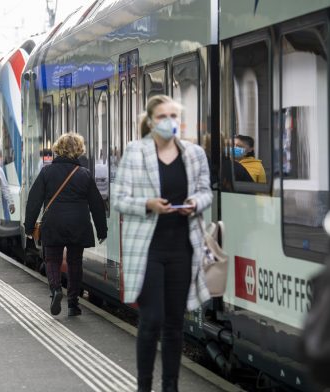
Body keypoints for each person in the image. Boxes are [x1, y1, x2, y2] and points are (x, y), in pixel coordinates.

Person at [112, 95, 212, 392]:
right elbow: (119, 199)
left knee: (174, 323)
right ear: (150, 121)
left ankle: (170, 386)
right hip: (147, 249)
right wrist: (148, 205)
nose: (168, 121)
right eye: (161, 116)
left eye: (173, 115)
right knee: (151, 319)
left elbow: (207, 191)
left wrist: (195, 202)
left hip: (183, 247)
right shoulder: (135, 152)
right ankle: (144, 386)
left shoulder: (194, 154)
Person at [24, 133, 107, 317]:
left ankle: (55, 290)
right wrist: (102, 230)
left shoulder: (46, 172)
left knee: (52, 259)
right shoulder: (84, 174)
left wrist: (29, 226)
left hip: (53, 222)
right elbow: (97, 204)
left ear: (58, 149)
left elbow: (34, 200)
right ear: (78, 150)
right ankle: (73, 303)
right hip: (79, 223)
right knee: (75, 262)